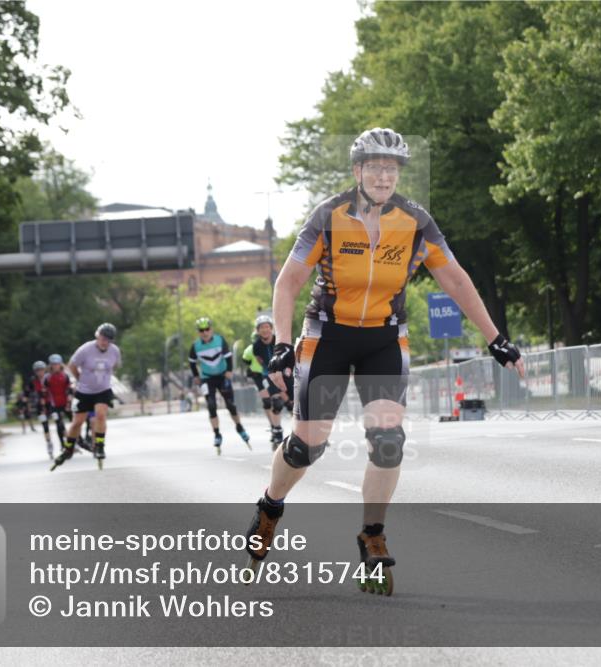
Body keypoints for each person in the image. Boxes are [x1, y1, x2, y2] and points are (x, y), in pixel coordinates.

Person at [243, 128, 525, 593]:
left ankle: (372, 536)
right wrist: (282, 344)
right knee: (306, 446)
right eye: (373, 166)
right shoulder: (328, 215)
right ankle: (270, 507)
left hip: (383, 337)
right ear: (356, 171)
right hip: (328, 333)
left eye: (390, 168)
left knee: (388, 440)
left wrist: (496, 338)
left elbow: (454, 279)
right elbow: (289, 281)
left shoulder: (415, 221)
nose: (382, 175)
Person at [52, 322, 121, 468]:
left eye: (108, 340)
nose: (105, 343)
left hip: (103, 390)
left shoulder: (114, 351)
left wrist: (105, 378)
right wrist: (79, 379)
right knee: (78, 422)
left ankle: (100, 446)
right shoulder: (85, 349)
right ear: (97, 336)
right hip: (84, 391)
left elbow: (115, 365)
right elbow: (71, 365)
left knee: (100, 415)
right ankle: (68, 448)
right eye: (102, 339)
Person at [188, 317, 250, 454]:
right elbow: (192, 363)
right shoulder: (195, 346)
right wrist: (196, 376)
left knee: (230, 405)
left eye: (207, 329)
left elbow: (228, 357)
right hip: (207, 378)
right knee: (211, 405)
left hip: (222, 376)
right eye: (201, 330)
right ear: (198, 332)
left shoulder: (219, 340)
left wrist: (229, 371)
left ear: (211, 329)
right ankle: (217, 434)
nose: (205, 333)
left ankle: (239, 427)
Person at [251, 315, 294, 449]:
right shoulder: (256, 346)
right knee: (276, 402)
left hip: (285, 374)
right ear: (258, 331)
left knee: (294, 404)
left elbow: (290, 355)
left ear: (271, 328)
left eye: (267, 327)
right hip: (269, 376)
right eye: (262, 328)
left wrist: (287, 369)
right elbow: (261, 362)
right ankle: (277, 430)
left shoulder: (278, 340)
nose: (265, 330)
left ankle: (301, 431)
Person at [43, 353, 74, 460]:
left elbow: (69, 389)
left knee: (74, 423)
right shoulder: (47, 377)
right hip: (54, 405)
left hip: (66, 403)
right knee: (59, 424)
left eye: (57, 364)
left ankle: (76, 441)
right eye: (53, 364)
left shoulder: (65, 376)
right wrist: (44, 406)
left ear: (60, 365)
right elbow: (44, 392)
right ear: (50, 365)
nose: (55, 366)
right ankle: (62, 444)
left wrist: (70, 400)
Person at [26, 361, 51, 454]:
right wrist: (27, 404)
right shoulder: (32, 380)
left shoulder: (49, 378)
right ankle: (48, 442)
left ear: (45, 370)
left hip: (50, 404)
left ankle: (66, 441)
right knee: (45, 424)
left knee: (59, 421)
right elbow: (27, 393)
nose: (40, 372)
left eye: (41, 370)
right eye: (37, 371)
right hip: (40, 406)